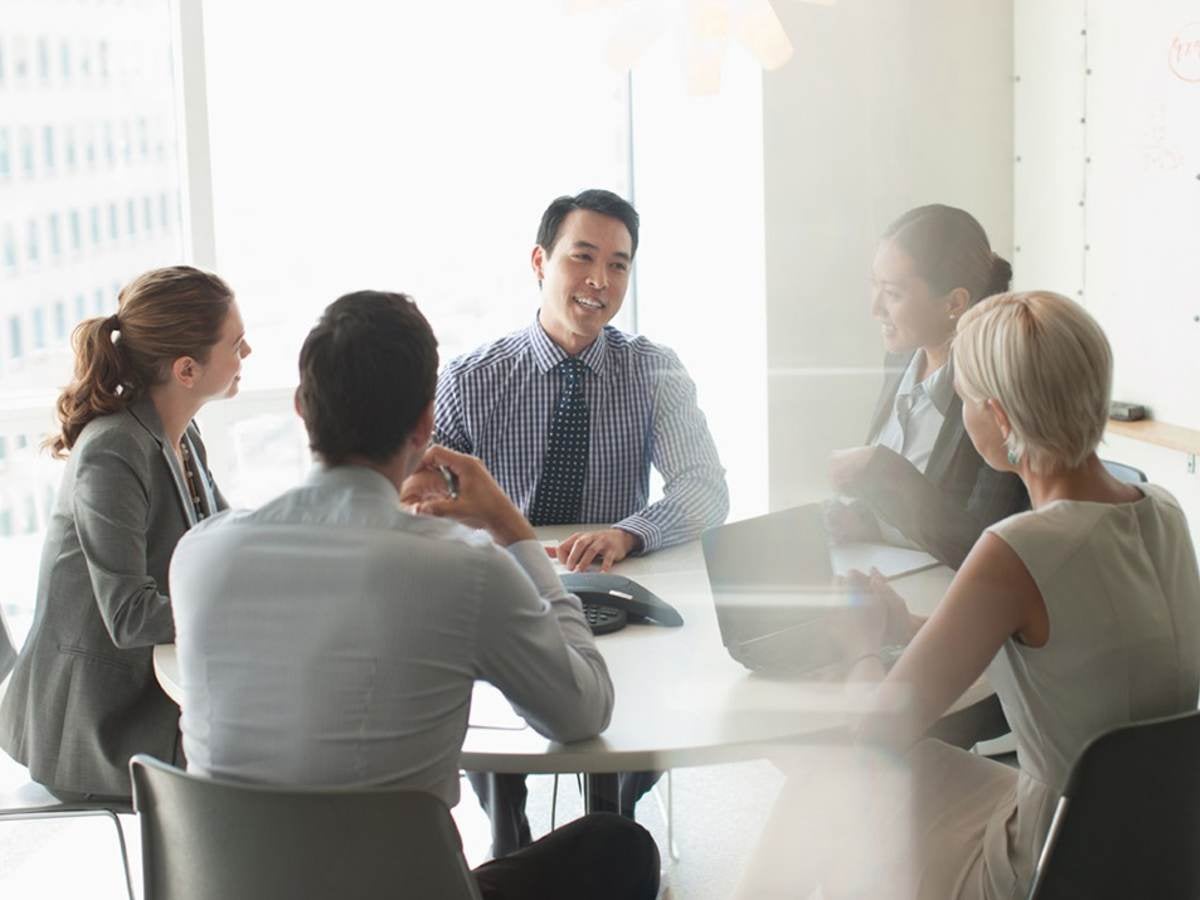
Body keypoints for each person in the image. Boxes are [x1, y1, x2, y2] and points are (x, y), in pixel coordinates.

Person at [169, 291, 660, 900]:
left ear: (301, 408)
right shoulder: (465, 568)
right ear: (427, 423)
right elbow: (582, 713)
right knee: (618, 846)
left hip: (232, 888)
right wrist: (514, 530)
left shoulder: (198, 555)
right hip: (402, 888)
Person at [741, 292, 1200, 898]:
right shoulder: (1163, 510)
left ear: (1001, 418)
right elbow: (1068, 640)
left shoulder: (1017, 548)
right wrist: (907, 624)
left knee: (831, 777)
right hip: (1149, 841)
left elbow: (878, 733)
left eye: (963, 401)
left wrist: (861, 646)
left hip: (1048, 863)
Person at [436, 187, 729, 851]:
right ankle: (508, 828)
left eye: (620, 265)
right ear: (540, 262)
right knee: (473, 679)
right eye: (583, 257)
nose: (601, 281)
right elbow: (427, 508)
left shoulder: (652, 370)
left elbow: (706, 488)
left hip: (610, 585)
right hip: (504, 588)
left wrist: (629, 531)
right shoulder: (470, 378)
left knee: (649, 704)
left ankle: (613, 821)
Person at [0, 266, 250, 800]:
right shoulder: (113, 449)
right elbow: (128, 614)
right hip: (99, 718)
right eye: (236, 343)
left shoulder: (180, 434)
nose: (247, 354)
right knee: (258, 759)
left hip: (149, 689)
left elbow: (230, 538)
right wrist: (243, 614)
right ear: (187, 369)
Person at [827, 204, 1027, 570]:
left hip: (952, 594)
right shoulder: (902, 359)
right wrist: (862, 520)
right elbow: (907, 514)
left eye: (893, 293)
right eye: (874, 285)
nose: (875, 308)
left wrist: (882, 469)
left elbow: (982, 548)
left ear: (954, 302)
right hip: (889, 574)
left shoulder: (999, 391)